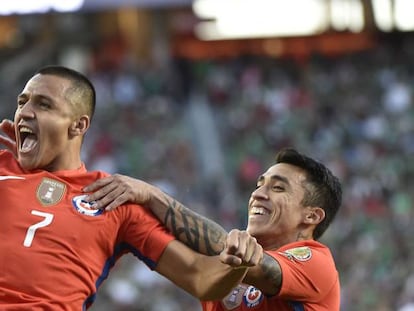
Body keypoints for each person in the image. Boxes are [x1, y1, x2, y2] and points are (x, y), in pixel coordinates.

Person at [0, 65, 263, 310]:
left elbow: (200, 277)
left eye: (44, 105)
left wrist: (241, 259)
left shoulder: (113, 197)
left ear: (78, 125)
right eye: (22, 102)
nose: (24, 112)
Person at [84, 147, 343, 310]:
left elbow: (242, 256)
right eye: (259, 184)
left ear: (311, 216)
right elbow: (198, 270)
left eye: (277, 188)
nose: (258, 194)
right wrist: (128, 214)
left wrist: (152, 195)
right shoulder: (223, 265)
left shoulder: (316, 263)